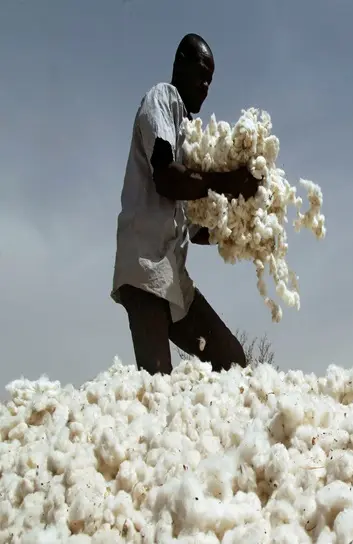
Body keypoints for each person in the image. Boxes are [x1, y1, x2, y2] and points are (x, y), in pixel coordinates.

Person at [111, 33, 259, 376]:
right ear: (180, 64)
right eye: (201, 73)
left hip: (174, 278)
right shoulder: (163, 100)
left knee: (232, 361)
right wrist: (227, 182)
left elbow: (197, 228)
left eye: (211, 79)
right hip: (145, 270)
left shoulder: (191, 133)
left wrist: (239, 230)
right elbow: (167, 177)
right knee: (158, 386)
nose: (206, 85)